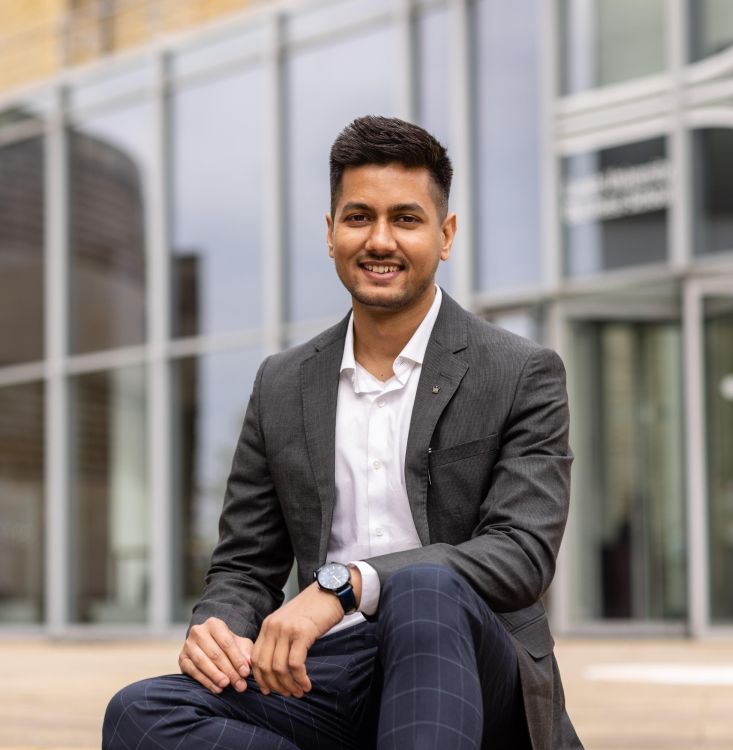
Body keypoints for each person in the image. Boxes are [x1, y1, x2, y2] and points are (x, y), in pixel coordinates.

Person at [103, 116, 582, 749]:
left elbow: (521, 553)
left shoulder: (520, 372)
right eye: (358, 218)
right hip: (324, 674)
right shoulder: (282, 383)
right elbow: (246, 564)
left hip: (471, 665)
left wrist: (346, 583)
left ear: (446, 235)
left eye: (405, 220)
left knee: (426, 590)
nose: (379, 239)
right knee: (139, 713)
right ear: (331, 234)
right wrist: (219, 625)